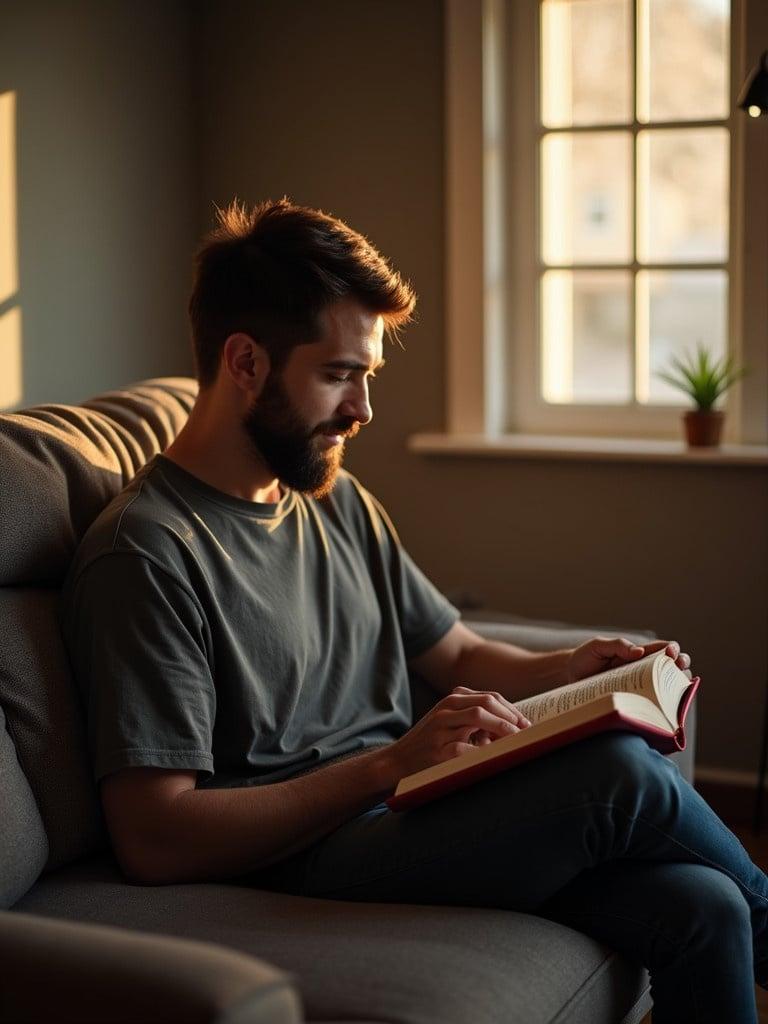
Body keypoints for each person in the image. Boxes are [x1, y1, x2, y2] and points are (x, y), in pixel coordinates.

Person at [63, 198, 768, 1024]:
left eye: (367, 376)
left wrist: (573, 669)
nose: (362, 411)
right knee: (613, 780)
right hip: (306, 851)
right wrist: (390, 764)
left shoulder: (332, 498)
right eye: (338, 375)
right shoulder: (147, 552)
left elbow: (457, 652)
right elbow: (156, 837)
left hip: (411, 809)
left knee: (703, 908)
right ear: (246, 362)